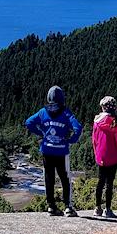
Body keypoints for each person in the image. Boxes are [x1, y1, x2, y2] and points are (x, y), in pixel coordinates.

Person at [25, 85, 83, 217]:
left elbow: (29, 122)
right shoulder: (66, 112)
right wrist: (71, 140)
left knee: (49, 178)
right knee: (65, 178)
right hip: (62, 151)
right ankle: (68, 207)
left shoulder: (42, 112)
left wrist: (41, 133)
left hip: (46, 150)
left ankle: (51, 207)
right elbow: (78, 128)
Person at [92, 95, 117, 218]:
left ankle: (97, 208)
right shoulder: (116, 123)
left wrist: (96, 154)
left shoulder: (97, 122)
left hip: (101, 156)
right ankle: (108, 209)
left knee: (100, 182)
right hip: (113, 156)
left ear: (103, 107)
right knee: (109, 183)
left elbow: (94, 140)